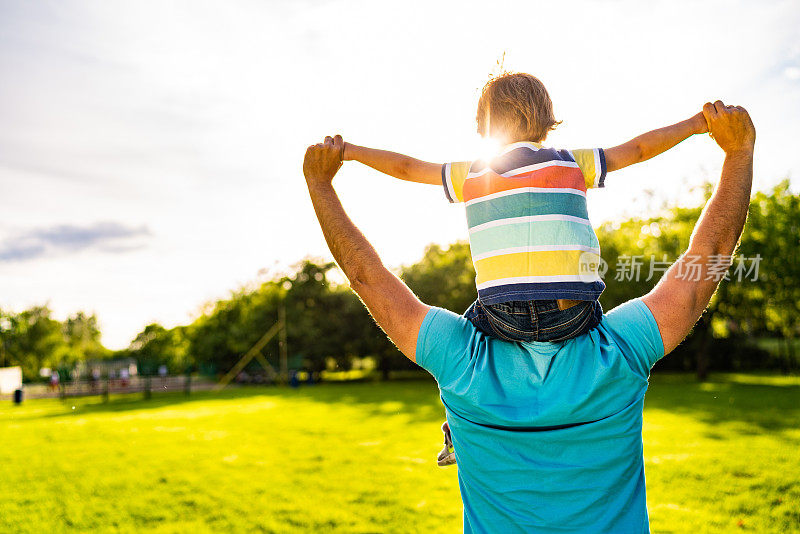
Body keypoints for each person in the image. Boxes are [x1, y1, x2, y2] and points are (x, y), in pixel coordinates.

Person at [302, 100, 755, 532]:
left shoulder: (462, 365)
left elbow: (366, 276)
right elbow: (709, 260)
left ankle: (458, 435)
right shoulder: (620, 354)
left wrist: (321, 184)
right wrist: (738, 153)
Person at [339, 72, 710, 464]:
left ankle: (455, 430)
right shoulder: (573, 162)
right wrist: (695, 124)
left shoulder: (473, 172)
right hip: (574, 316)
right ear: (548, 118)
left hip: (501, 318)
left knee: (464, 345)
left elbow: (407, 168)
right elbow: (637, 149)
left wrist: (351, 151)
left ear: (485, 124)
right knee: (597, 312)